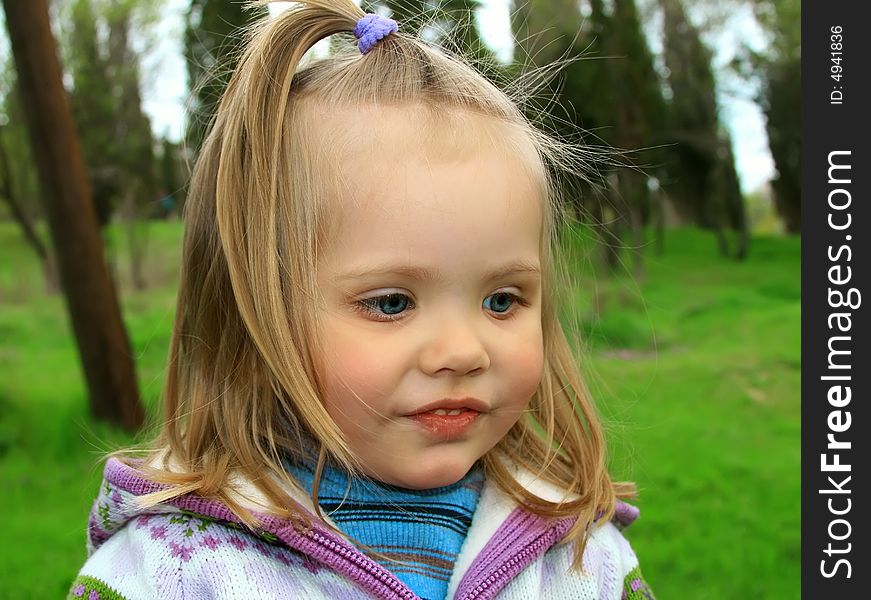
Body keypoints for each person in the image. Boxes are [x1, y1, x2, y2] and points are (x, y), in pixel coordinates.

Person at [69, 1, 654, 598]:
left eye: (502, 301)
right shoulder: (174, 569)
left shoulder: (582, 554)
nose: (463, 351)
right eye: (393, 303)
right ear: (255, 314)